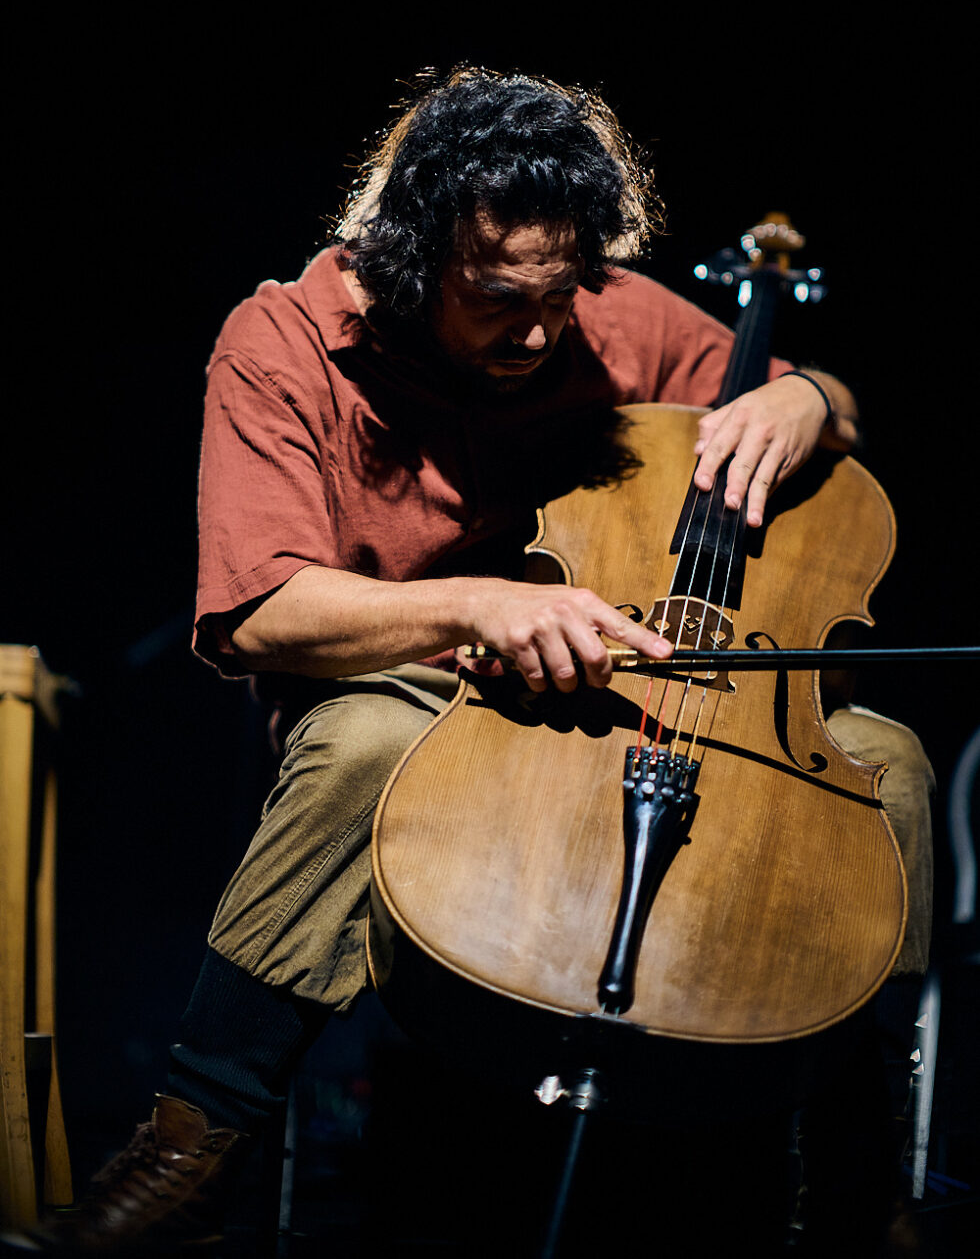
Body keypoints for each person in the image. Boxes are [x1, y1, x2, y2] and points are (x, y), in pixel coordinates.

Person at [11, 69, 934, 1254]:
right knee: (364, 742)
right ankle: (188, 1155)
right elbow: (259, 613)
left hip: (615, 696)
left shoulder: (602, 316)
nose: (541, 331)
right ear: (413, 256)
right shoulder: (281, 341)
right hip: (421, 687)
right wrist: (478, 607)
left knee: (884, 763)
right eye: (499, 297)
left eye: (563, 293)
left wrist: (809, 397)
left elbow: (803, 400)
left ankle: (860, 1186)